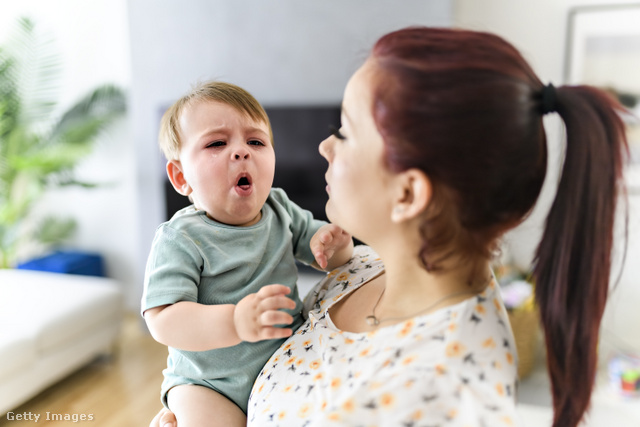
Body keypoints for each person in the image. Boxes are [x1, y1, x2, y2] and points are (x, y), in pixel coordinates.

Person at [151, 27, 628, 427]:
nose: (323, 146)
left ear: (408, 194)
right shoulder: (372, 267)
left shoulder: (431, 392)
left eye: (346, 130)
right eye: (215, 144)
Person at [142, 81, 354, 426]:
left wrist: (337, 243)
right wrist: (235, 322)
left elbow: (332, 259)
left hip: (285, 361)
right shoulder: (180, 237)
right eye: (216, 143)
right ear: (181, 177)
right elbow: (163, 320)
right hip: (208, 384)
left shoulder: (280, 207)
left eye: (255, 141)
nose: (241, 151)